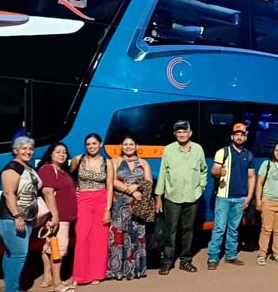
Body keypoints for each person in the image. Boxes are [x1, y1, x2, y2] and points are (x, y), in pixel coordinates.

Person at [0, 136, 59, 292]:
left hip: (26, 218)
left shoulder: (28, 168)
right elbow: (9, 194)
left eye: (30, 148)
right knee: (19, 254)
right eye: (23, 148)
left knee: (11, 254)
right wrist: (17, 217)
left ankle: (11, 288)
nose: (28, 151)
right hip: (11, 218)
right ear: (15, 151)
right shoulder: (12, 168)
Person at [155, 120, 208, 275]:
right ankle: (167, 261)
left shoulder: (198, 149)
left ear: (190, 133)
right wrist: (159, 195)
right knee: (169, 230)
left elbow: (204, 169)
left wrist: (201, 187)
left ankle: (185, 261)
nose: (182, 134)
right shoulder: (169, 150)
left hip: (192, 197)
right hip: (172, 196)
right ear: (175, 134)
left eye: (184, 131)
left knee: (188, 230)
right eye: (179, 132)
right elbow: (163, 173)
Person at [207, 123, 255, 270]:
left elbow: (252, 177)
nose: (239, 137)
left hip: (241, 198)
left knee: (234, 229)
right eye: (237, 134)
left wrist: (248, 198)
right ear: (232, 136)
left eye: (242, 134)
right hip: (223, 197)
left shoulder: (248, 154)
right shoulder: (223, 152)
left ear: (245, 137)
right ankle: (213, 258)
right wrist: (217, 172)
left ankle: (230, 256)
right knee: (219, 228)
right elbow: (213, 171)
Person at [70, 133, 114, 286]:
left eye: (94, 143)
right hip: (84, 200)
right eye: (88, 144)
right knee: (82, 237)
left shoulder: (107, 163)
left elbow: (110, 187)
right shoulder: (78, 159)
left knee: (99, 239)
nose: (91, 146)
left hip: (101, 200)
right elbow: (70, 177)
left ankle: (97, 274)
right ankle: (79, 276)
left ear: (100, 144)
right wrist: (75, 189)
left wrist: (108, 209)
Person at [109, 136, 153, 280]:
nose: (128, 147)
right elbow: (113, 181)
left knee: (136, 236)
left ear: (136, 146)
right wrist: (131, 190)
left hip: (138, 205)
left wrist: (138, 187)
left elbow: (149, 182)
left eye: (131, 144)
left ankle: (136, 270)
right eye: (125, 144)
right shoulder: (115, 161)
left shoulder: (143, 163)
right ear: (121, 146)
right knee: (118, 236)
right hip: (120, 204)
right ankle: (117, 270)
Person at [37, 143, 77, 292]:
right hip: (58, 218)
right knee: (58, 249)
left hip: (61, 217)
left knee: (49, 247)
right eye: (58, 152)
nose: (62, 154)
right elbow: (47, 192)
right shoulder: (48, 169)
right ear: (50, 154)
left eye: (64, 152)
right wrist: (55, 216)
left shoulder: (62, 171)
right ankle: (57, 283)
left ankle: (47, 278)